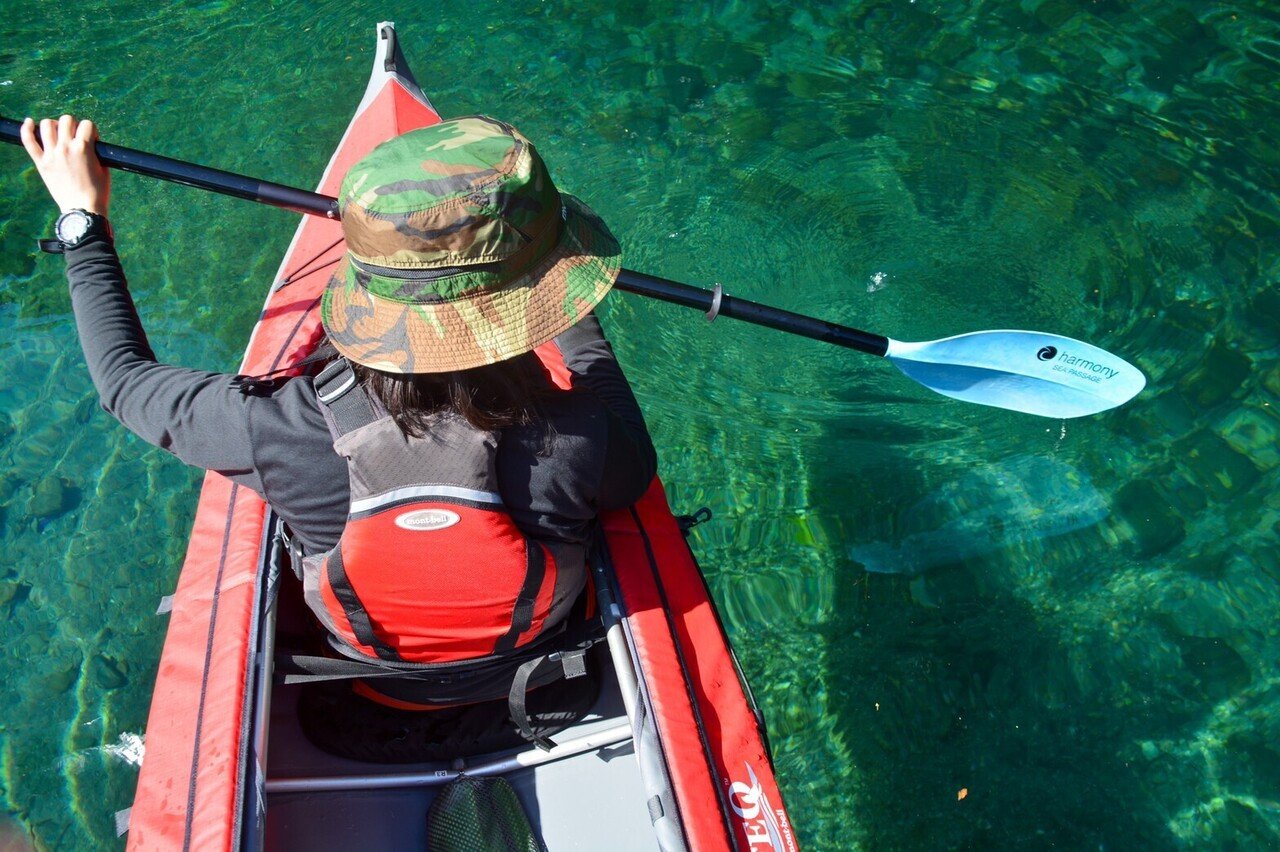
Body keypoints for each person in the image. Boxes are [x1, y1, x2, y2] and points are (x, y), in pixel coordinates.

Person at [20, 113, 656, 758]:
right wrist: (560, 285)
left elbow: (124, 382)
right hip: (549, 691)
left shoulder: (274, 430)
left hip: (370, 709)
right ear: (539, 295)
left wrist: (82, 221)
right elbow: (614, 421)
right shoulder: (580, 437)